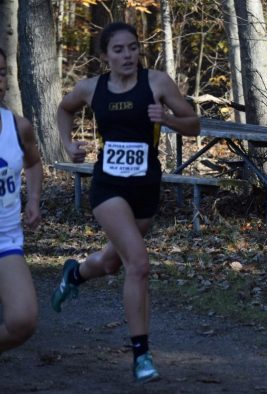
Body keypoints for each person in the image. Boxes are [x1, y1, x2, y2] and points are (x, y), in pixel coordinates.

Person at [50, 22, 200, 382]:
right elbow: (63, 109)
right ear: (105, 56)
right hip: (108, 186)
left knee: (112, 262)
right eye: (118, 50)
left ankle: (75, 274)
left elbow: (194, 124)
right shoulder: (91, 88)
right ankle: (141, 354)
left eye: (132, 47)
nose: (127, 55)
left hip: (145, 186)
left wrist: (167, 119)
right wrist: (67, 144)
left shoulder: (158, 82)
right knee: (140, 264)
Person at [0, 47, 43, 353]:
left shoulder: (18, 127)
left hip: (5, 240)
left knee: (23, 320)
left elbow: (33, 163)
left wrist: (34, 200)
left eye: (1, 72)